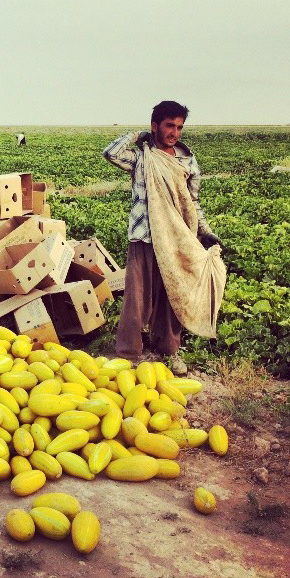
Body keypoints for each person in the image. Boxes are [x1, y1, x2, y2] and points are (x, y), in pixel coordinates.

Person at [103, 100, 224, 375]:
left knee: (173, 296)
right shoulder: (142, 157)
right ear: (155, 126)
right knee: (137, 297)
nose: (175, 132)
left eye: (180, 127)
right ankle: (128, 353)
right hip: (144, 237)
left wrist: (204, 231)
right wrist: (135, 137)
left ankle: (168, 350)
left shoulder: (187, 160)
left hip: (177, 239)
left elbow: (193, 202)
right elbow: (110, 153)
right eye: (170, 125)